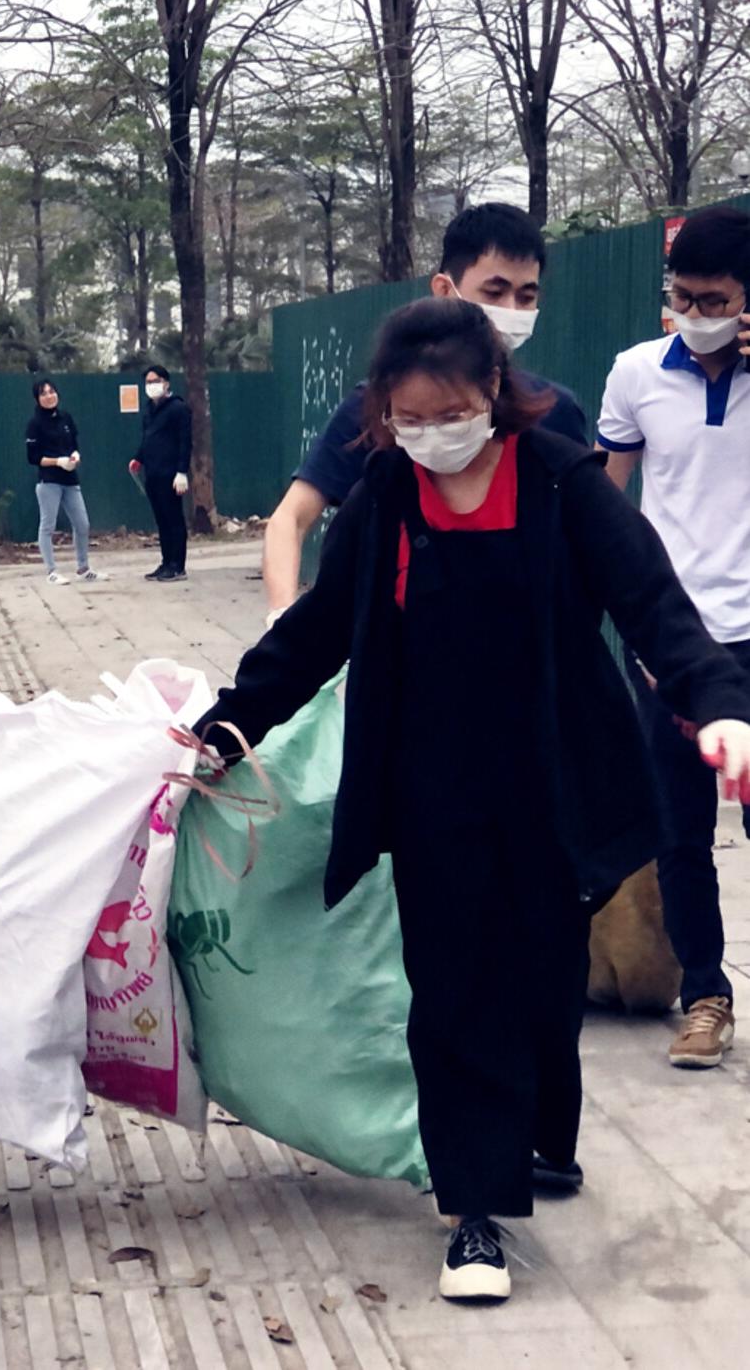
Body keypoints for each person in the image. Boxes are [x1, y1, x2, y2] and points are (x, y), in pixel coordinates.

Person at [193, 297, 750, 1303]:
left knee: (543, 979)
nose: (431, 432)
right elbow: (322, 628)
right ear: (386, 413)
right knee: (452, 993)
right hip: (428, 785)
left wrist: (718, 707)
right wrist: (230, 724)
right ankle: (472, 1217)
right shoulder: (388, 495)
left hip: (552, 778)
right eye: (409, 416)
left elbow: (653, 605)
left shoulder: (560, 483)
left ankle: (542, 1140)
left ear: (493, 394)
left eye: (449, 410)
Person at [262, 203, 587, 623]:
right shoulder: (376, 406)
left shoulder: (553, 412)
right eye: (494, 291)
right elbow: (290, 518)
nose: (512, 310)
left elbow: (592, 543)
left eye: (526, 296)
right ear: (444, 290)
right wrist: (282, 617)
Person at [597, 205, 750, 1069]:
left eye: (716, 298)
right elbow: (604, 497)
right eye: (683, 297)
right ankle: (705, 995)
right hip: (668, 636)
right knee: (680, 833)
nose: (698, 313)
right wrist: (622, 620)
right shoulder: (635, 375)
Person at [25, 378, 107, 584]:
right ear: (37, 399)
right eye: (43, 393)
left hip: (70, 479)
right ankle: (51, 571)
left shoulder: (66, 418)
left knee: (82, 524)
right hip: (49, 481)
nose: (49, 396)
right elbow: (33, 458)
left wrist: (75, 457)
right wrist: (58, 462)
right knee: (48, 526)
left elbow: (74, 445)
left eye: (52, 391)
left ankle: (83, 567)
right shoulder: (34, 424)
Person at [129, 364, 191, 581]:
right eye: (148, 382)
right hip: (152, 473)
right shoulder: (149, 409)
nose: (152, 386)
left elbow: (185, 442)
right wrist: (138, 458)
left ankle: (178, 565)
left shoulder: (178, 408)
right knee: (162, 520)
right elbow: (148, 438)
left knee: (174, 518)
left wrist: (182, 472)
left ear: (166, 383)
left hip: (171, 474)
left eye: (156, 381)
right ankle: (166, 562)